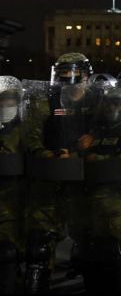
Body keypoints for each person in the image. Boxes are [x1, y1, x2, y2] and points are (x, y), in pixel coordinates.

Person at [24, 52, 96, 293]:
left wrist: (81, 154)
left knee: (92, 243)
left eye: (76, 77)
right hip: (52, 176)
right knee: (40, 244)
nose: (70, 83)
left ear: (87, 77)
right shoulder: (46, 101)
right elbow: (32, 137)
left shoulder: (97, 103)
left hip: (86, 178)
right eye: (64, 78)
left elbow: (109, 135)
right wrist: (50, 156)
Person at [79, 85, 121, 293]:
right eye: (111, 103)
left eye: (120, 104)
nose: (114, 108)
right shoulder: (98, 130)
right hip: (96, 204)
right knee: (97, 264)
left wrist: (95, 159)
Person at [0, 78, 26, 294]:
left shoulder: (24, 126)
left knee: (9, 247)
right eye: (3, 101)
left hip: (17, 191)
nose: (6, 105)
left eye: (11, 101)